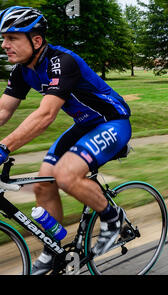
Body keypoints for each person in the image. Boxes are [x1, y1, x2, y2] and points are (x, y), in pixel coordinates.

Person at [0, 6, 132, 274]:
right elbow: (4, 110)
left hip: (112, 122)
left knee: (65, 175)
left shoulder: (62, 61)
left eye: (12, 37)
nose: (4, 45)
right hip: (85, 125)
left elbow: (46, 114)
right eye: (3, 38)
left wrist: (4, 147)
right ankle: (53, 250)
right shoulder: (22, 70)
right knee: (43, 183)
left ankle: (112, 217)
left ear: (36, 40)